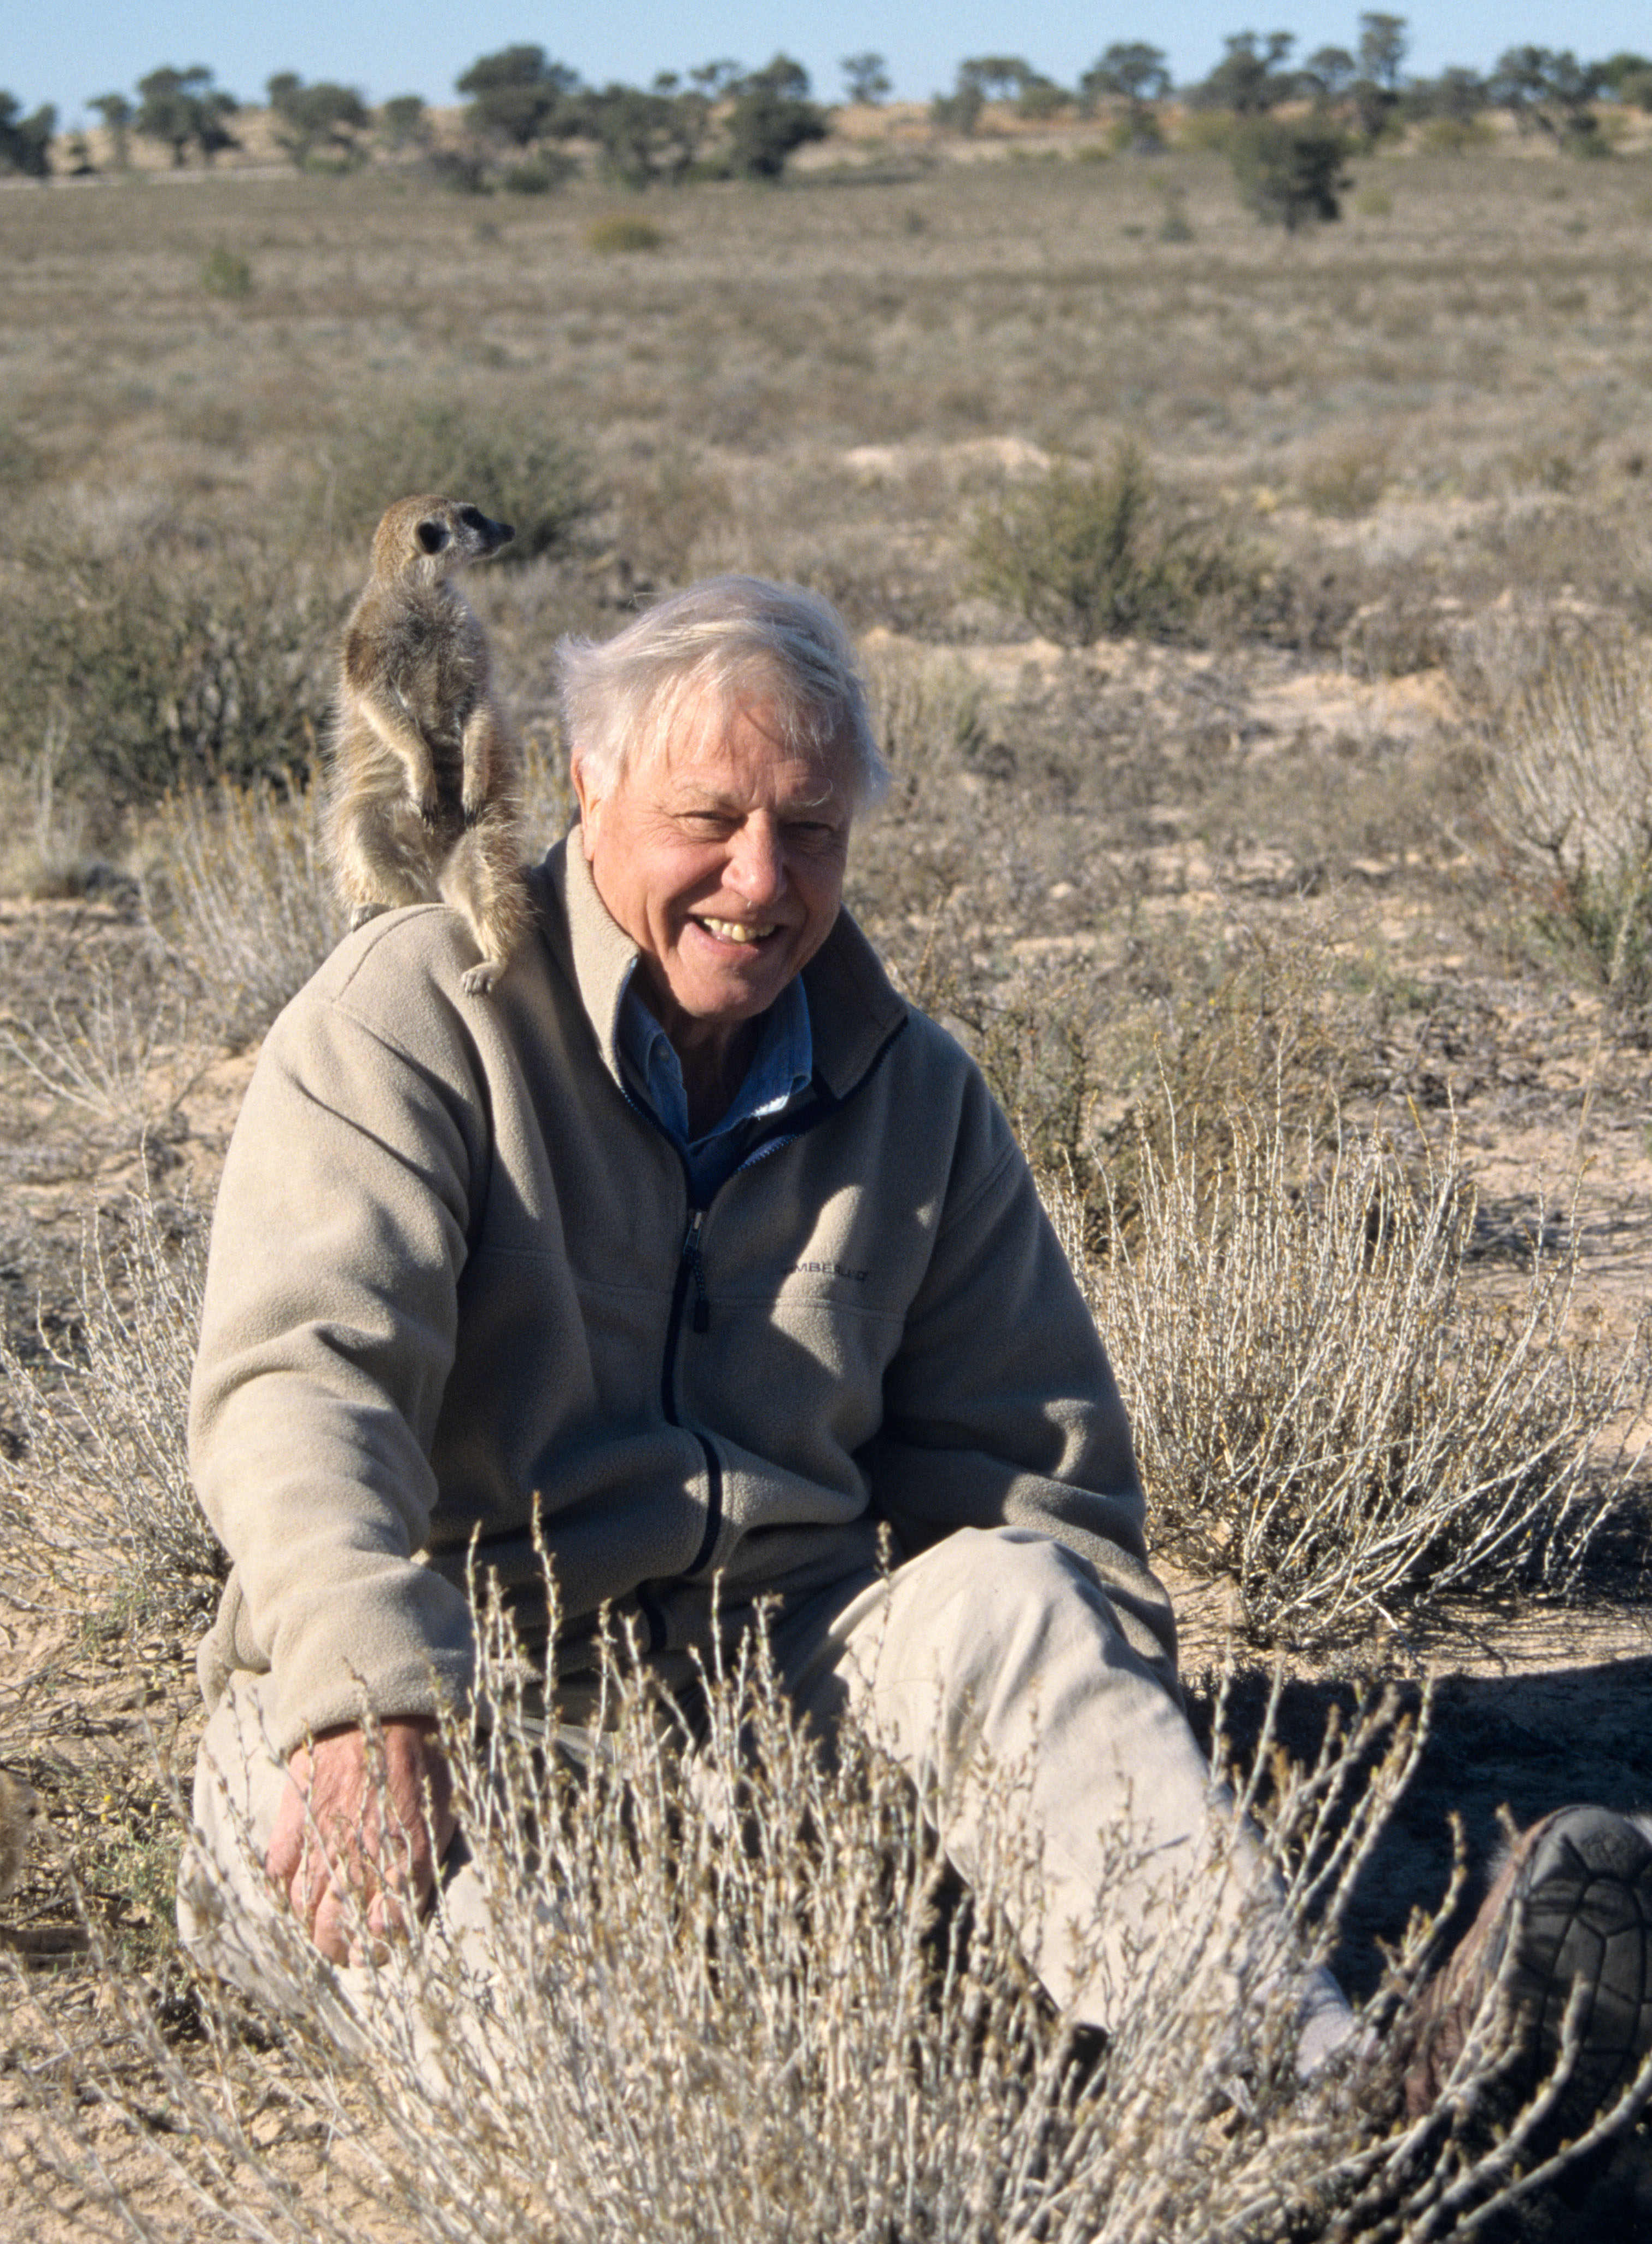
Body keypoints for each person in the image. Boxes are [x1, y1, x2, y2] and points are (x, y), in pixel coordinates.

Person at [180, 574, 1652, 2129]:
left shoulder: (913, 1091)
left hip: (770, 1709)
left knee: (1020, 1601)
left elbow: (1041, 1489)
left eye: (810, 830)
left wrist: (1090, 1794)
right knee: (618, 2114)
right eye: (712, 819)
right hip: (445, 1709)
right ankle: (979, 2225)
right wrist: (364, 1698)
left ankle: (1303, 2106)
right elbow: (303, 1388)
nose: (762, 881)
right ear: (588, 786)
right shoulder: (414, 1016)